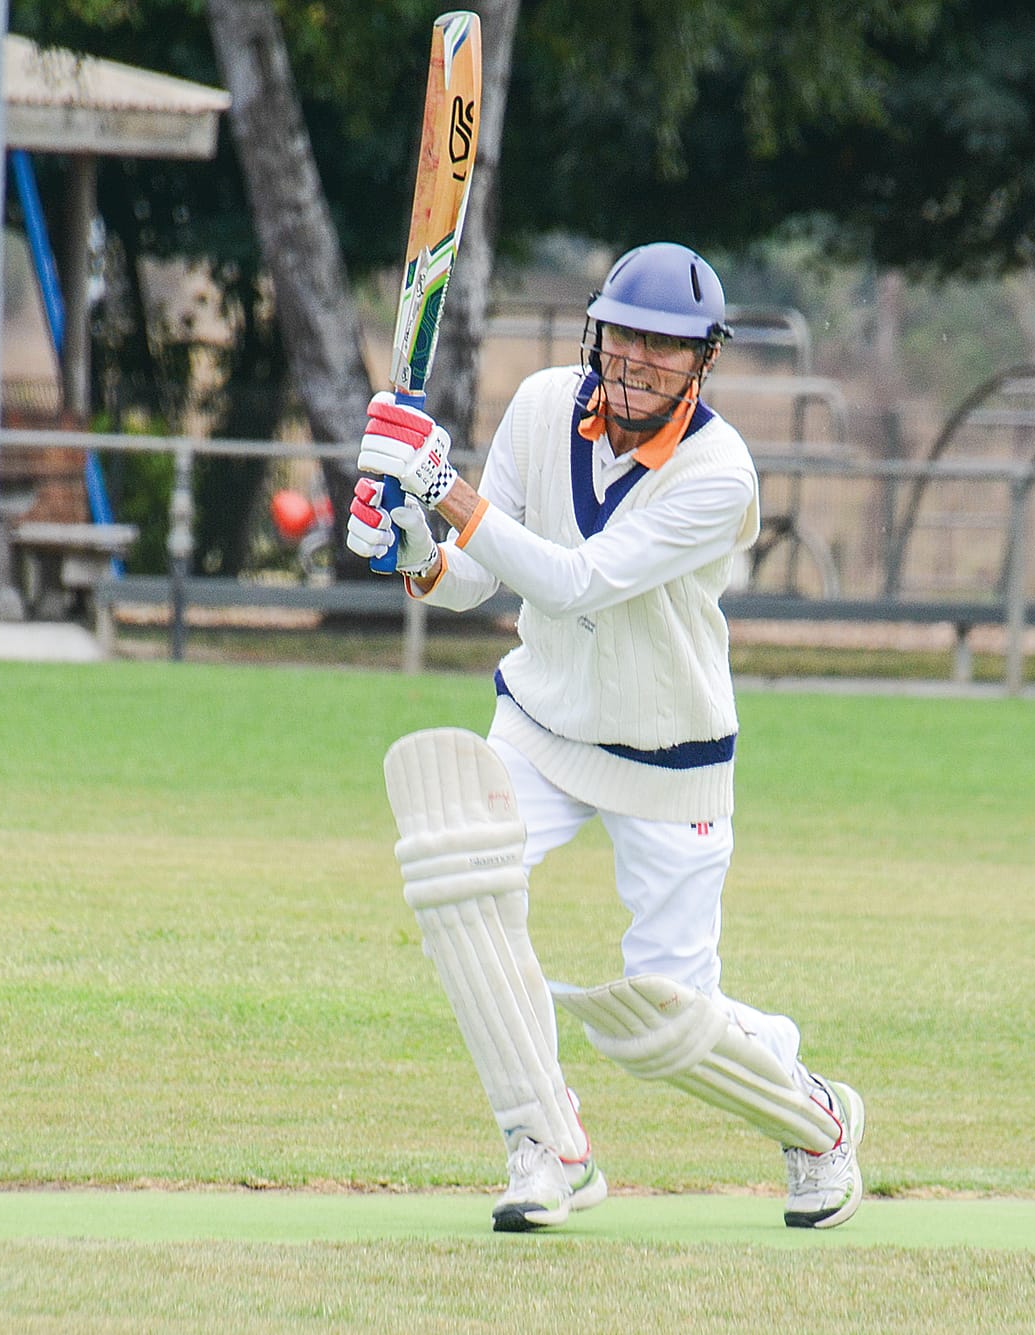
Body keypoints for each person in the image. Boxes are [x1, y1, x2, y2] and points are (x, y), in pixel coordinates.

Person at [348, 242, 863, 1232]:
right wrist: (412, 539)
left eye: (664, 347)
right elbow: (477, 574)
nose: (635, 360)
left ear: (700, 362)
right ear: (596, 333)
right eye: (622, 334)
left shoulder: (720, 478)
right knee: (460, 890)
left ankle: (815, 1120)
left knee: (666, 1023)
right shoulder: (545, 404)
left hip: (667, 759)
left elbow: (574, 579)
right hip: (540, 725)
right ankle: (546, 1144)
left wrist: (442, 488)